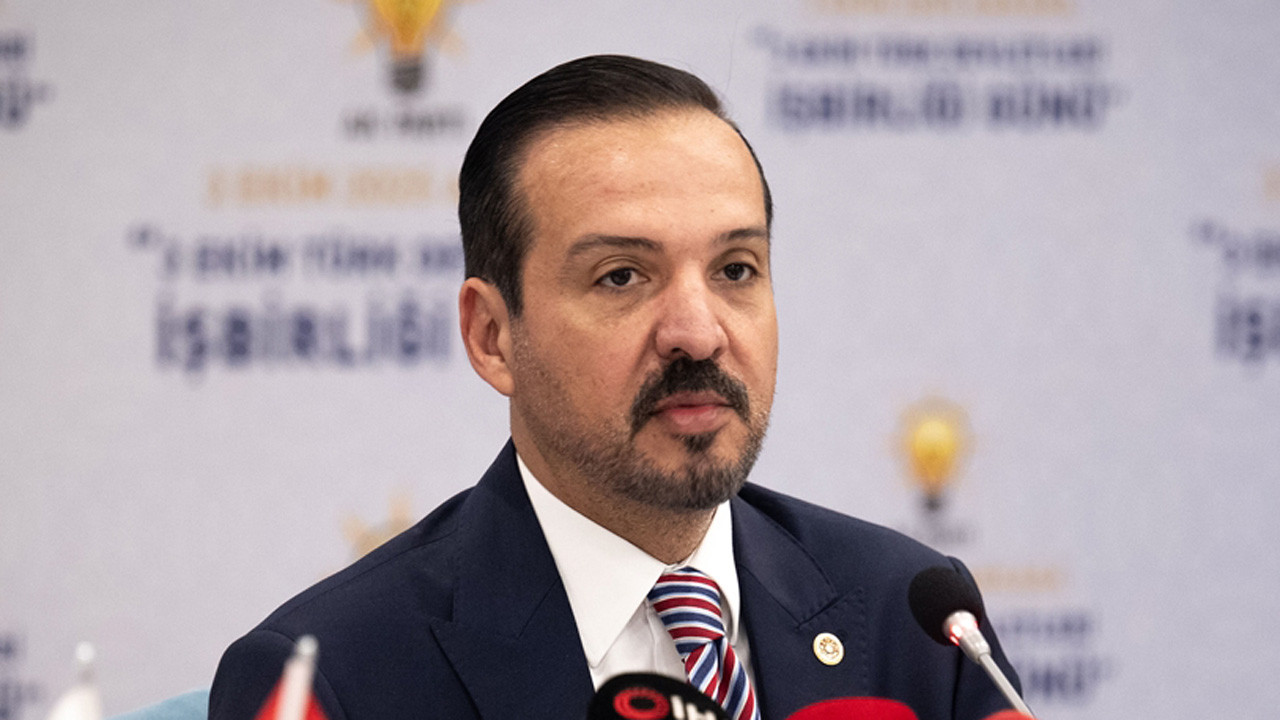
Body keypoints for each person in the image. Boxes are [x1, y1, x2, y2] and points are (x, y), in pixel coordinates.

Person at [209, 54, 1019, 720]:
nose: (698, 333)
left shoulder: (917, 622)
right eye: (622, 276)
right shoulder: (334, 681)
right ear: (492, 336)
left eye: (736, 269)